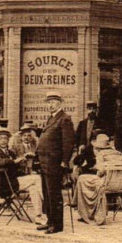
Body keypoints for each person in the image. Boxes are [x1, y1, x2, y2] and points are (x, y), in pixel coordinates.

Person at [36, 91, 75, 234]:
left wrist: (65, 161)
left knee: (54, 194)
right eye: (48, 102)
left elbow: (68, 142)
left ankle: (57, 225)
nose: (50, 104)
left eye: (53, 101)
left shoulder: (64, 119)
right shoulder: (51, 119)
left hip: (54, 162)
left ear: (60, 103)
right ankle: (50, 221)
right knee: (47, 193)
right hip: (45, 161)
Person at [75, 134, 122, 225]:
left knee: (82, 179)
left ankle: (86, 213)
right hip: (120, 184)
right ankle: (85, 209)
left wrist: (98, 173)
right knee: (85, 180)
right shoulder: (118, 153)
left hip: (106, 184)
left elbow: (100, 172)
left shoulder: (101, 154)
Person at [10, 124, 44, 224]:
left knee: (34, 189)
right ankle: (47, 201)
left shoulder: (35, 147)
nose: (27, 138)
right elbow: (12, 166)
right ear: (21, 137)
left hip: (32, 176)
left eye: (29, 136)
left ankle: (38, 215)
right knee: (37, 180)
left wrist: (35, 160)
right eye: (24, 136)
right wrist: (23, 158)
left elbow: (39, 162)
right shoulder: (14, 148)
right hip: (20, 177)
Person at [0, 128, 21, 204]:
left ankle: (39, 212)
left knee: (35, 183)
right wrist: (14, 161)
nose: (3, 141)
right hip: (6, 183)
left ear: (8, 140)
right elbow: (1, 162)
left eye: (5, 138)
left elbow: (16, 167)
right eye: (0, 139)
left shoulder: (11, 152)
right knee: (36, 181)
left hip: (13, 179)